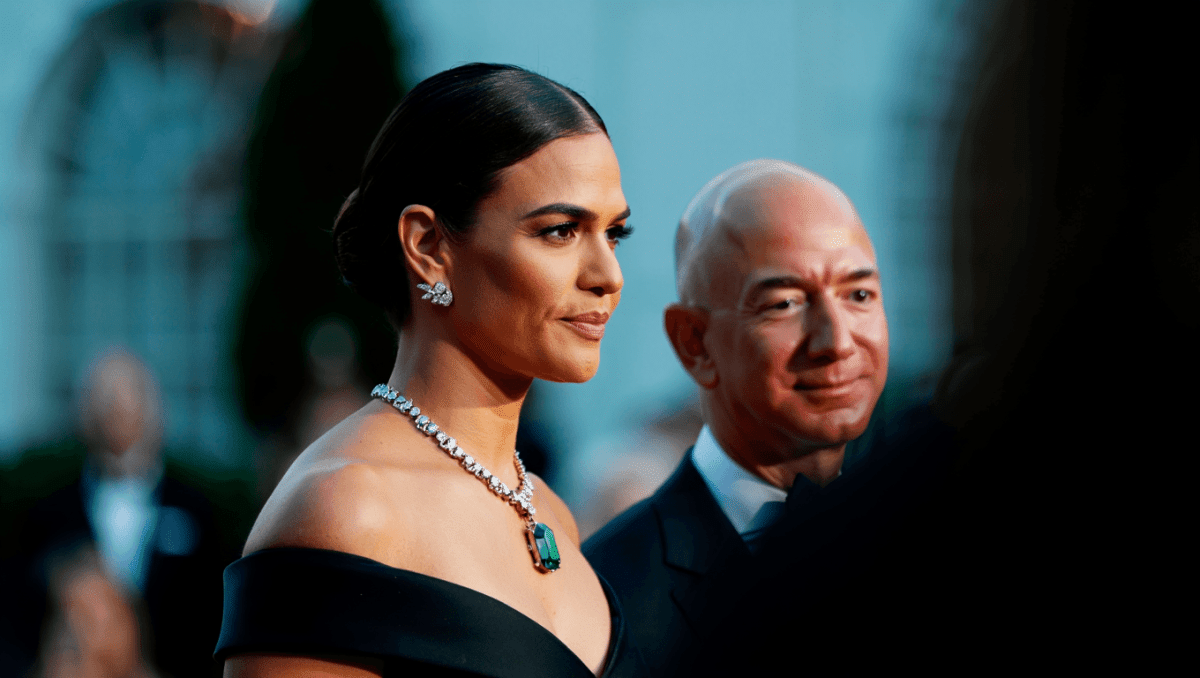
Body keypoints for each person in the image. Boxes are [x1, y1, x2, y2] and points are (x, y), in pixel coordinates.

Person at [216, 63, 647, 677]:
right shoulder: (345, 510)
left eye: (615, 234)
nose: (608, 276)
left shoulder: (553, 514)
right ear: (428, 247)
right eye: (559, 231)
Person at [583, 159, 888, 676]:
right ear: (694, 342)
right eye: (785, 304)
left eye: (858, 295)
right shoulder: (605, 599)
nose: (836, 342)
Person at [11, 349, 229, 678]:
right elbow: (22, 615)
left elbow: (212, 612)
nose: (115, 408)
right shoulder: (49, 513)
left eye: (128, 394)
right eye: (104, 397)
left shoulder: (195, 510)